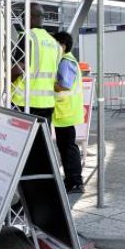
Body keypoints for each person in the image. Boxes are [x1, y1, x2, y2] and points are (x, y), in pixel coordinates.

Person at [0, 3, 62, 124]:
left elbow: (17, 70)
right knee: (42, 142)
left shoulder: (28, 37)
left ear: (30, 17)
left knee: (22, 141)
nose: (22, 20)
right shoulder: (55, 44)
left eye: (23, 16)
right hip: (48, 104)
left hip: (26, 103)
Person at [52, 31, 85, 194]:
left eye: (55, 44)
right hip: (64, 112)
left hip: (66, 111)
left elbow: (64, 85)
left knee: (68, 147)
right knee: (66, 147)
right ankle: (71, 180)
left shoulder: (66, 61)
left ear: (63, 45)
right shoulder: (65, 60)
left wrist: (47, 83)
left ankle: (75, 182)